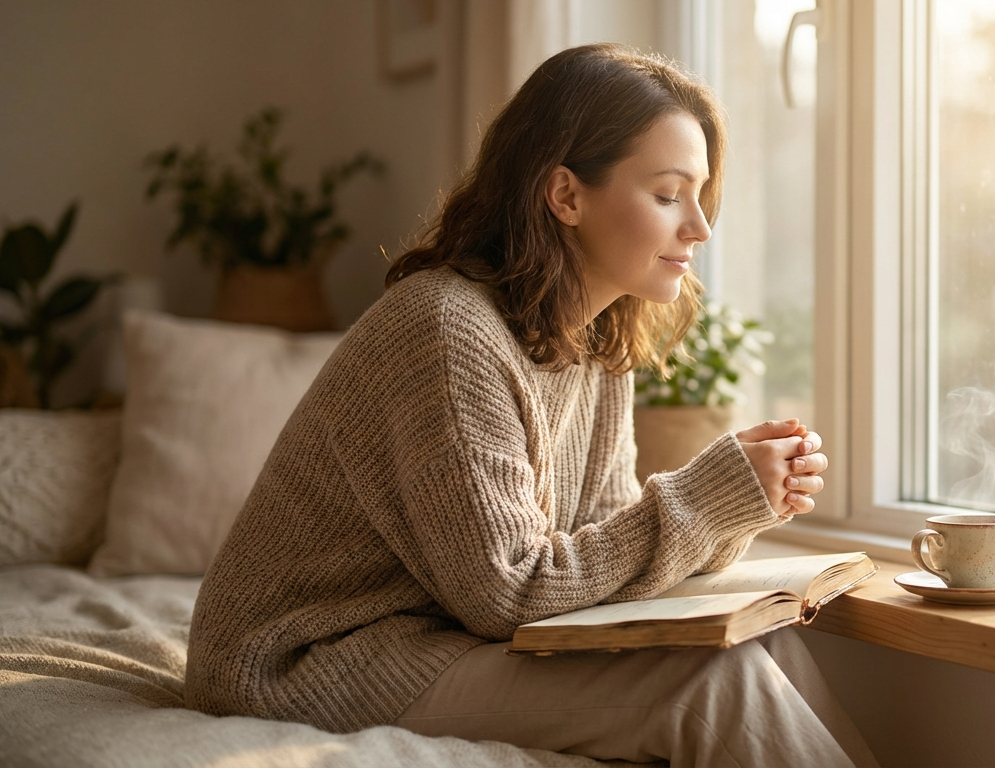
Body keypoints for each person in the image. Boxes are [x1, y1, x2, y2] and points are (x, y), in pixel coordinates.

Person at [185, 43, 878, 767]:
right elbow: (510, 591)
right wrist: (706, 499)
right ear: (567, 195)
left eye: (701, 196)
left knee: (765, 643)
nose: (699, 227)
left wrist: (741, 504)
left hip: (438, 629)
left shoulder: (598, 341)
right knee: (710, 681)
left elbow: (599, 544)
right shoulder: (447, 330)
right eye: (669, 194)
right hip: (308, 661)